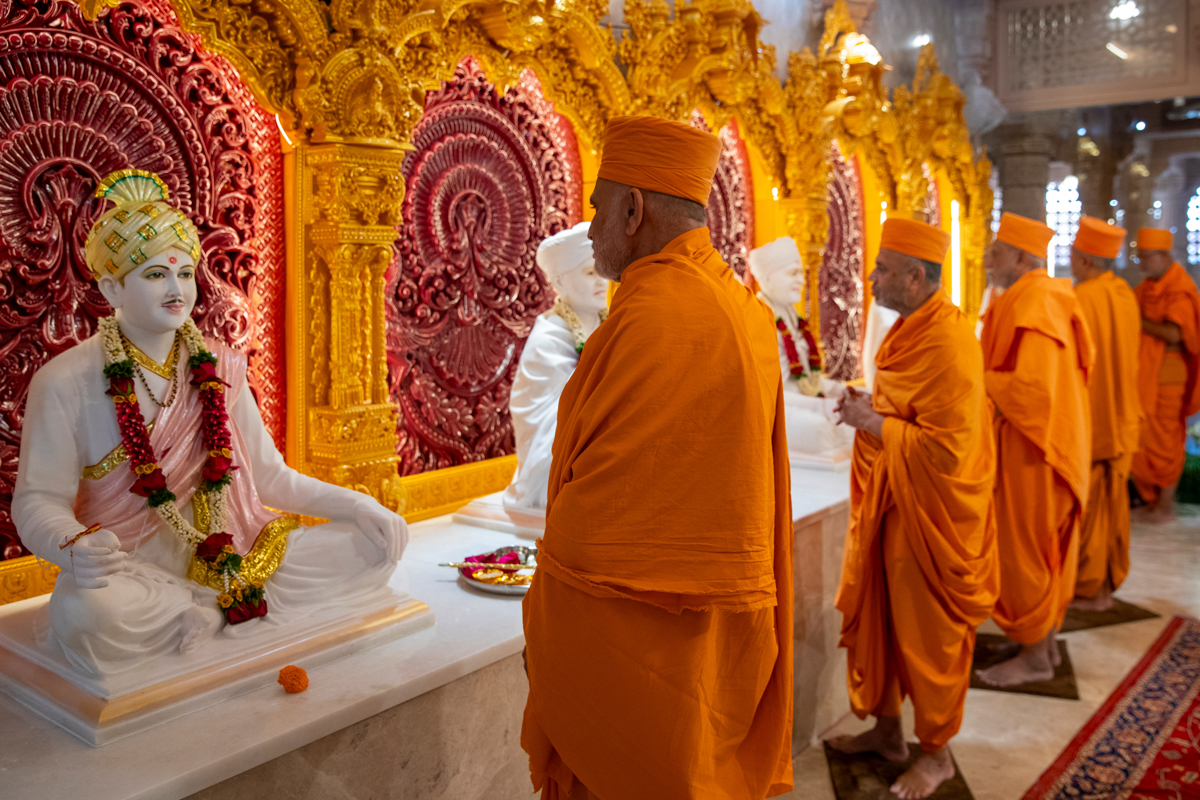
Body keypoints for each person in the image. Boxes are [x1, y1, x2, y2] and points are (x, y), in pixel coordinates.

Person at [12, 170, 405, 677]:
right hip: (134, 571)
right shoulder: (65, 381)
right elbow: (38, 500)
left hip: (235, 552)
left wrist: (357, 503)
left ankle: (213, 608)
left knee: (374, 545)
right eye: (155, 274)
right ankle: (197, 609)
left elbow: (272, 479)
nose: (177, 290)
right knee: (85, 615)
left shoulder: (219, 365)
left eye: (183, 273)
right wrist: (74, 547)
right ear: (111, 286)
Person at [520, 116, 794, 800]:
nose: (589, 230)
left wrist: (544, 608)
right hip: (718, 630)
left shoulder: (649, 315)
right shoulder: (747, 312)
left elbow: (597, 525)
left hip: (636, 645)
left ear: (633, 210)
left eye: (597, 209)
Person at [831, 218, 998, 799]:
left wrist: (872, 421)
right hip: (892, 503)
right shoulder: (907, 330)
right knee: (884, 623)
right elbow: (905, 411)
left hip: (931, 517)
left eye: (882, 270)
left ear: (915, 276)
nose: (871, 278)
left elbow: (947, 450)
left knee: (927, 639)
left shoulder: (950, 342)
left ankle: (938, 756)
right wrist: (870, 409)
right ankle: (888, 732)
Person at [976, 212, 1093, 687]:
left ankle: (1036, 658)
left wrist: (970, 378)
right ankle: (1034, 640)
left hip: (1036, 448)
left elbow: (1033, 391)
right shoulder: (1026, 296)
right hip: (1030, 441)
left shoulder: (1039, 298)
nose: (988, 258)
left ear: (1022, 257)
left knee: (1026, 551)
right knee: (1029, 549)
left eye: (997, 252)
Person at [504, 222, 608, 513]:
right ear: (560, 282)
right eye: (590, 272)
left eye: (603, 271)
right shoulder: (549, 337)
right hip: (556, 443)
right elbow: (563, 411)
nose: (602, 281)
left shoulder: (608, 323)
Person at [1069, 218, 1140, 611]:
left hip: (1095, 421)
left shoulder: (1081, 300)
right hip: (1124, 419)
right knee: (1112, 507)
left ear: (1083, 261)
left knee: (1094, 508)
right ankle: (1104, 589)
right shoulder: (1124, 294)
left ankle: (1092, 592)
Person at [1130, 228, 1200, 523]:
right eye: (1140, 257)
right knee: (1144, 438)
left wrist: (1140, 321)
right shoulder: (1147, 287)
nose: (1142, 264)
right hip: (1147, 374)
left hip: (1170, 377)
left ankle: (1166, 506)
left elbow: (1176, 334)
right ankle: (1153, 500)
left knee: (1166, 440)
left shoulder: (1179, 288)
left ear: (1164, 256)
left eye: (1147, 258)